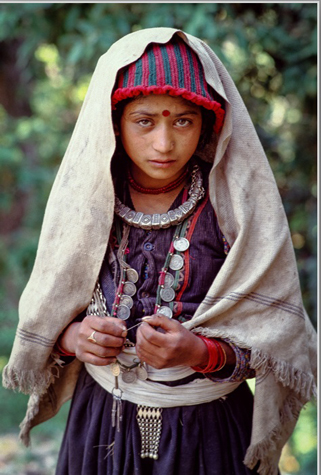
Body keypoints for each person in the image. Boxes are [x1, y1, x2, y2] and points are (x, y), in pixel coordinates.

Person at [3, 28, 316, 475]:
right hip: (98, 430)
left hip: (209, 435)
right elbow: (50, 312)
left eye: (183, 121)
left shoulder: (237, 211)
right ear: (115, 123)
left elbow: (276, 342)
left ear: (208, 123)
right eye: (144, 121)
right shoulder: (87, 206)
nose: (164, 144)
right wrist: (76, 338)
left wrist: (199, 352)